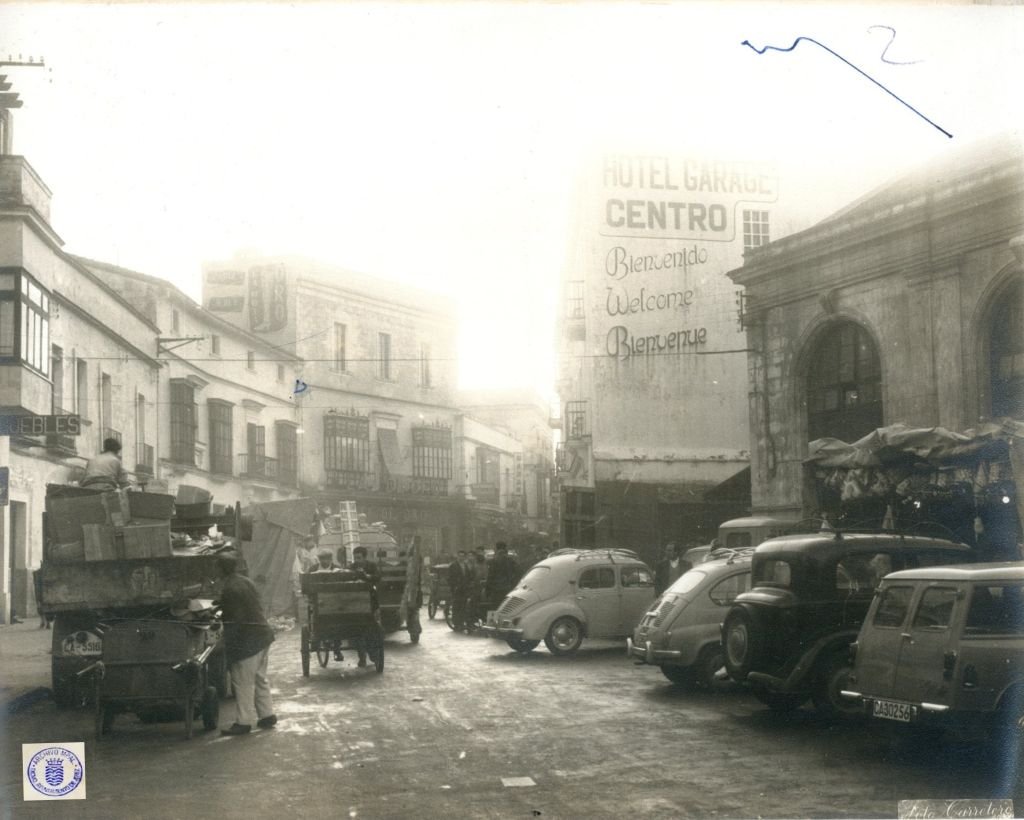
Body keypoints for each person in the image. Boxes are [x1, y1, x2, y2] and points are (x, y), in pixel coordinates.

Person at [215, 550, 276, 736]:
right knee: (259, 678)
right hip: (262, 635)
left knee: (242, 683)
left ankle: (243, 723)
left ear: (221, 569)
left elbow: (237, 620)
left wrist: (225, 643)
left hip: (247, 641)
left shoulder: (229, 588)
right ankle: (267, 715)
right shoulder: (245, 581)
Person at [349, 546, 380, 666]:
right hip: (355, 602)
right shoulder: (351, 567)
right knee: (357, 631)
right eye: (355, 558)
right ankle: (362, 657)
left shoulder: (371, 566)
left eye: (359, 558)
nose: (357, 560)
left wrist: (367, 576)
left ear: (364, 557)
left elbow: (378, 577)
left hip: (370, 601)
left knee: (370, 630)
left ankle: (373, 654)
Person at [447, 550, 475, 633]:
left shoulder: (465, 566)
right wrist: (454, 587)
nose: (461, 558)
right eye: (460, 556)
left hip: (464, 589)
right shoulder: (453, 566)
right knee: (456, 607)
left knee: (463, 607)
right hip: (457, 590)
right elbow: (449, 578)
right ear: (457, 556)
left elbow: (469, 576)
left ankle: (461, 623)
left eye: (463, 556)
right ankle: (456, 624)